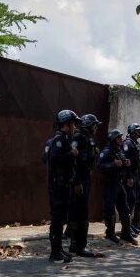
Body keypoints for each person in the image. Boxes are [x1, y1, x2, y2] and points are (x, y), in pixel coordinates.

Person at [47, 110, 82, 263]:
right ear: (66, 124)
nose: (75, 127)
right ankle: (54, 253)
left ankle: (59, 249)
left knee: (61, 219)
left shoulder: (66, 139)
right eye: (73, 123)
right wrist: (71, 154)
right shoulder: (59, 139)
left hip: (64, 185)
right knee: (56, 220)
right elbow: (55, 159)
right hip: (57, 186)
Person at [68, 114, 102, 258]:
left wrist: (95, 155)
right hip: (79, 179)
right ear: (89, 125)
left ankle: (77, 244)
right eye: (94, 125)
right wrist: (76, 182)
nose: (96, 128)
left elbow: (90, 163)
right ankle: (78, 246)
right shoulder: (78, 138)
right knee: (80, 213)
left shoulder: (88, 139)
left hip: (86, 178)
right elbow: (74, 162)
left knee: (81, 212)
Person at [97, 129, 138, 245]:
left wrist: (127, 170)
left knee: (125, 209)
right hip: (109, 184)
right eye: (118, 137)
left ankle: (126, 233)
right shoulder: (107, 151)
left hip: (120, 183)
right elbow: (99, 166)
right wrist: (113, 164)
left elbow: (124, 165)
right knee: (109, 209)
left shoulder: (119, 151)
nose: (121, 139)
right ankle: (110, 233)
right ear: (113, 139)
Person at [123, 123, 140, 235]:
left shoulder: (135, 143)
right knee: (129, 201)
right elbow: (126, 162)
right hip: (130, 175)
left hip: (136, 174)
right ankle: (126, 228)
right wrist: (129, 177)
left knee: (133, 201)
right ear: (132, 131)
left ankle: (130, 225)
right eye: (138, 130)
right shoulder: (127, 143)